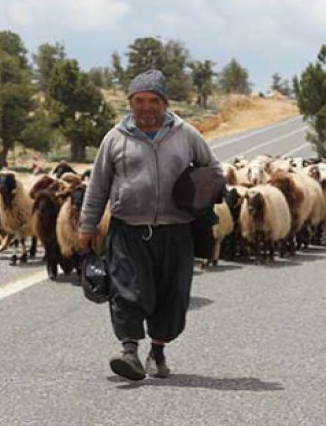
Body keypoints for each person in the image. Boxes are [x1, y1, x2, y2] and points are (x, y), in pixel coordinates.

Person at [78, 69, 221, 381]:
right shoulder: (115, 138)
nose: (145, 107)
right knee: (126, 290)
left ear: (164, 103)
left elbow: (213, 168)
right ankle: (129, 351)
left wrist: (200, 192)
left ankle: (157, 351)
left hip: (176, 230)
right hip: (128, 229)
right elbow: (98, 186)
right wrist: (87, 226)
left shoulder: (186, 134)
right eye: (139, 100)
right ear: (130, 102)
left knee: (172, 295)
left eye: (152, 100)